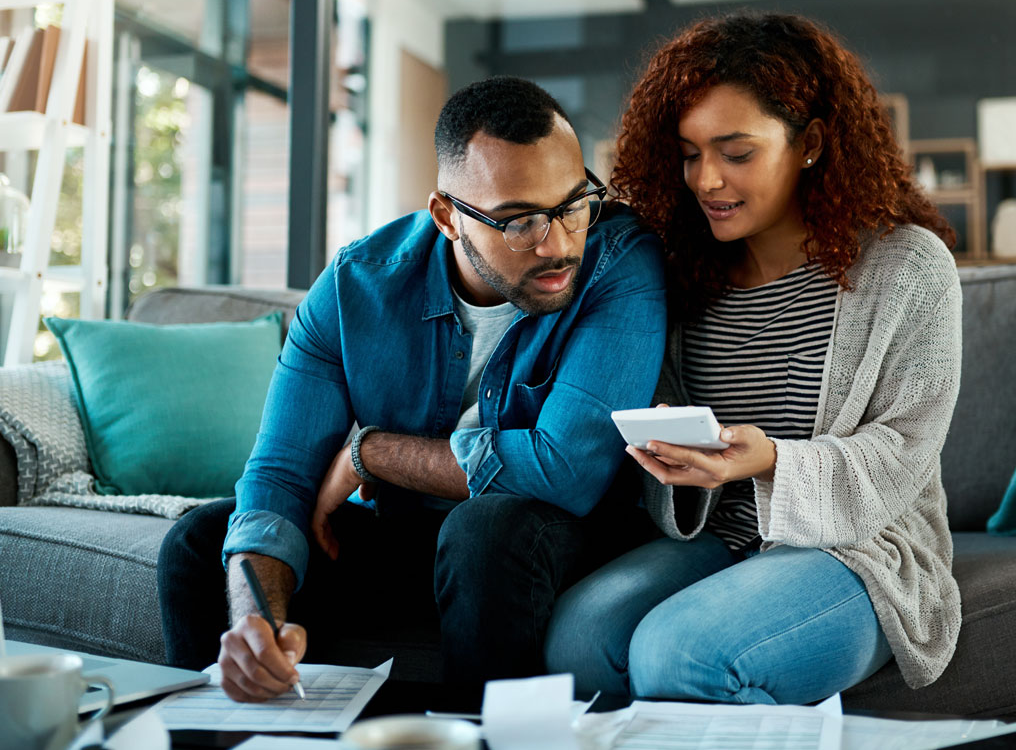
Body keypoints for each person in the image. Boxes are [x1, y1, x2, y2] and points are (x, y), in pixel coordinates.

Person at [158, 76, 666, 700]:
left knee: (485, 531)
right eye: (518, 221)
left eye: (572, 204)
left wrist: (373, 453)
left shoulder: (619, 262)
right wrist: (256, 622)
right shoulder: (356, 287)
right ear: (448, 217)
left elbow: (567, 469)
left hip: (553, 543)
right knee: (200, 543)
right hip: (413, 541)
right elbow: (280, 475)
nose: (559, 243)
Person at [545, 13, 963, 704]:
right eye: (688, 154)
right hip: (724, 537)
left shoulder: (907, 269)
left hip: (859, 552)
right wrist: (670, 454)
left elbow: (901, 453)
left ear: (811, 143)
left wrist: (770, 459)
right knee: (579, 639)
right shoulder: (682, 275)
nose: (707, 180)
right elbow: (675, 483)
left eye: (736, 152)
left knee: (678, 653)